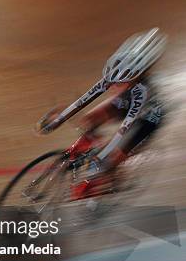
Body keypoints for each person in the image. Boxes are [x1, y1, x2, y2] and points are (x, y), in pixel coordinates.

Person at [37, 27, 167, 199]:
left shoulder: (141, 93)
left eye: (121, 82)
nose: (113, 86)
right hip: (126, 102)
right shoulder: (114, 74)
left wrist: (105, 156)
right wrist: (59, 119)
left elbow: (124, 130)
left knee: (114, 156)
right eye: (112, 81)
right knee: (88, 120)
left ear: (136, 78)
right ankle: (96, 155)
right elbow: (83, 101)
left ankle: (114, 176)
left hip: (147, 118)